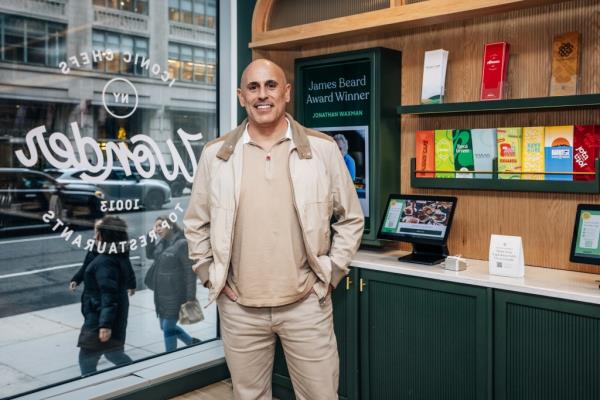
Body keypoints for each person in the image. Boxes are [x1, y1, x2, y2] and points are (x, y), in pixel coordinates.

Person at [184, 59, 364, 400]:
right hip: (239, 308)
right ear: (241, 96)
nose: (262, 95)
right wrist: (211, 276)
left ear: (287, 93)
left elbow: (351, 218)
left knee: (321, 395)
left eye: (270, 85)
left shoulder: (322, 150)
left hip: (306, 305)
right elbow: (196, 223)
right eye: (253, 87)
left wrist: (331, 271)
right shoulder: (216, 155)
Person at [75, 216, 134, 376]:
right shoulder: (118, 255)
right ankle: (135, 375)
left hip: (99, 319)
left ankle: (92, 390)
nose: (95, 237)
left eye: (98, 234)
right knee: (113, 353)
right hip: (108, 317)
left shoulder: (105, 262)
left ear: (105, 236)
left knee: (86, 359)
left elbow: (108, 294)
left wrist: (105, 325)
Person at [145, 216, 200, 352]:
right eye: (155, 226)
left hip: (176, 294)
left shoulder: (182, 243)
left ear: (170, 225)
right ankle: (191, 342)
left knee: (168, 327)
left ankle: (170, 355)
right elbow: (151, 255)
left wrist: (190, 297)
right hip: (161, 294)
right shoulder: (162, 243)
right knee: (164, 327)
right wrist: (150, 239)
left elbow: (189, 271)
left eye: (160, 225)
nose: (157, 229)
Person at [70, 220, 136, 297]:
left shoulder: (116, 249)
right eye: (96, 231)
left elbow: (126, 267)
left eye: (99, 231)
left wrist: (131, 285)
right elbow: (85, 266)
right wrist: (76, 280)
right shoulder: (93, 247)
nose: (96, 235)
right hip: (93, 289)